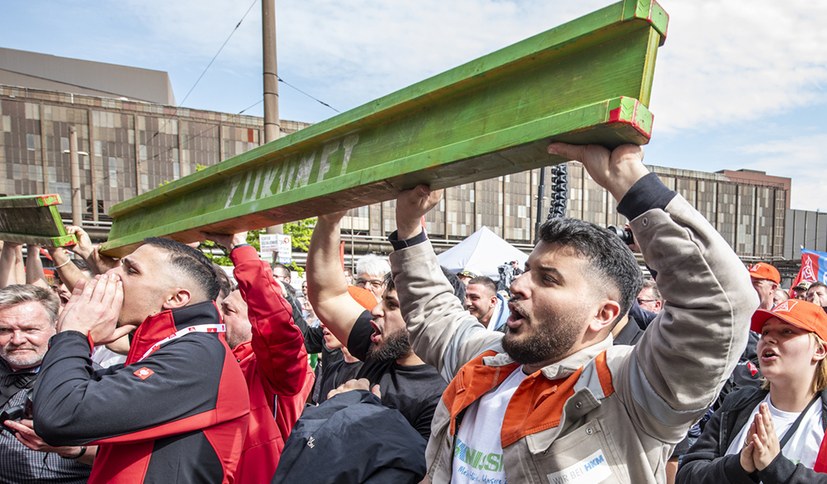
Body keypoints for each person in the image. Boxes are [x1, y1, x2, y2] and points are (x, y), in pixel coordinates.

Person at [388, 142, 757, 483]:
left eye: (547, 279)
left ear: (603, 314)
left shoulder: (630, 390)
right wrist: (408, 229)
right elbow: (434, 314)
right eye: (526, 269)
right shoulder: (489, 362)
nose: (518, 285)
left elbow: (721, 304)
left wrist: (630, 181)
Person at [32, 238, 250, 484]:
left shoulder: (195, 359)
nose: (112, 275)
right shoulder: (174, 348)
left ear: (177, 298)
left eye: (131, 270)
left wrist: (74, 333)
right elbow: (64, 397)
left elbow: (60, 415)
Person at [307, 215, 447, 440]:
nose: (376, 310)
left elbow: (417, 471)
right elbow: (328, 297)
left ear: (425, 316)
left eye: (391, 305)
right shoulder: (382, 342)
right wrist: (329, 219)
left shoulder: (443, 394)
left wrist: (355, 408)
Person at [677, 299, 827, 483]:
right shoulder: (737, 405)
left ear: (819, 350)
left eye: (787, 331)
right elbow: (687, 475)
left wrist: (776, 467)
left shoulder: (820, 419)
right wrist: (738, 466)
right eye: (765, 332)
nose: (769, 339)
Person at [206, 231, 314, 483]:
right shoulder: (221, 360)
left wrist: (240, 249)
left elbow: (275, 323)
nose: (219, 318)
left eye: (229, 310)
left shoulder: (275, 370)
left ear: (255, 321)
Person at [0, 285, 93, 482]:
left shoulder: (90, 378)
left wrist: (71, 448)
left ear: (56, 327)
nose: (17, 339)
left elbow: (126, 453)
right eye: (5, 330)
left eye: (30, 329)